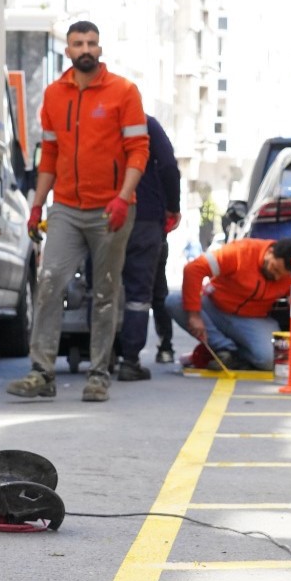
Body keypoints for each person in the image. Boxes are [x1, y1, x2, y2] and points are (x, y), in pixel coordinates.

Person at [6, 21, 149, 403]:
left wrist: (123, 197)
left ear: (100, 49)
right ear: (67, 51)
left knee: (105, 292)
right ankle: (42, 373)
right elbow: (49, 155)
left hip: (111, 208)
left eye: (92, 43)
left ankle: (99, 374)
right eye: (77, 43)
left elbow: (139, 150)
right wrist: (37, 204)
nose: (85, 48)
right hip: (67, 206)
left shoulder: (124, 92)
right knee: (50, 282)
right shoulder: (54, 95)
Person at [167, 237, 291, 372]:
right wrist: (194, 314)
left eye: (282, 276)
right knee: (174, 301)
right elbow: (194, 269)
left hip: (254, 319)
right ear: (270, 252)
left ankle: (226, 355)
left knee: (269, 360)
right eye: (274, 269)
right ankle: (225, 349)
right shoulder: (241, 251)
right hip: (214, 307)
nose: (276, 278)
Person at [115, 115, 181, 381]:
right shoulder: (147, 124)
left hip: (104, 213)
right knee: (143, 291)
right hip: (145, 217)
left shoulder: (101, 121)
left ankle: (103, 355)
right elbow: (168, 167)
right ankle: (131, 360)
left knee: (103, 286)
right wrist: (172, 207)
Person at [151, 236, 176, 364]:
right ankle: (165, 348)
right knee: (158, 295)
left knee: (134, 296)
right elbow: (173, 216)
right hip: (154, 234)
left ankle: (129, 357)